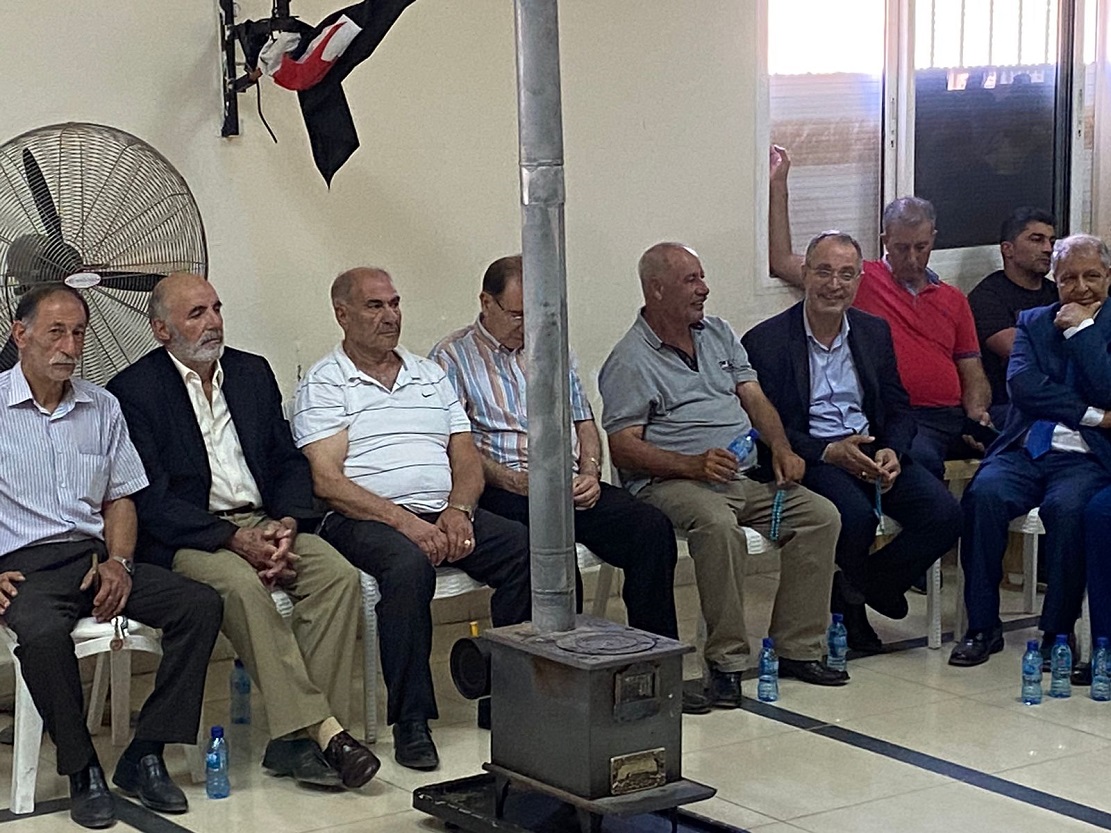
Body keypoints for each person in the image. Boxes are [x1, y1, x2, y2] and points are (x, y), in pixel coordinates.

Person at [107, 273, 380, 791]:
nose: (213, 322)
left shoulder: (251, 372)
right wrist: (232, 540)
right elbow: (151, 499)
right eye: (196, 314)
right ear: (161, 330)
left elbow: (286, 461)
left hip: (264, 521)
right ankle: (326, 735)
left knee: (338, 577)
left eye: (216, 308)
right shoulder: (134, 391)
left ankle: (295, 742)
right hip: (191, 537)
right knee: (240, 587)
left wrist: (288, 523)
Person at [428, 255, 706, 711]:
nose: (526, 326)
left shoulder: (550, 346)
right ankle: (537, 697)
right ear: (486, 303)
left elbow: (584, 422)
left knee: (650, 531)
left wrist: (590, 472)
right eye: (517, 315)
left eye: (534, 314)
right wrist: (515, 481)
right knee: (551, 561)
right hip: (502, 486)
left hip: (566, 482)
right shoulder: (450, 357)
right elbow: (460, 447)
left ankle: (651, 676)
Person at [0, 284, 222, 829]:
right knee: (43, 635)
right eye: (56, 332)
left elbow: (121, 497)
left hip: (95, 560)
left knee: (200, 605)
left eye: (78, 333)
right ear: (20, 333)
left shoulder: (102, 406)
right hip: (25, 566)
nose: (70, 346)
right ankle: (83, 771)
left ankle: (145, 752)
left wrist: (120, 563)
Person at [293, 267, 532, 767]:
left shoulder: (430, 374)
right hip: (362, 518)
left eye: (395, 303)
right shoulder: (326, 381)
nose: (391, 316)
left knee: (528, 553)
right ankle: (412, 721)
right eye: (375, 306)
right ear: (342, 314)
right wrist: (407, 524)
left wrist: (459, 510)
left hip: (442, 510)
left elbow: (465, 457)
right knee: (407, 568)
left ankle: (510, 697)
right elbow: (328, 482)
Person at [599, 242, 845, 707]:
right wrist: (691, 464)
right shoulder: (630, 359)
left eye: (702, 277)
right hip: (672, 485)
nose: (704, 289)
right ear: (656, 289)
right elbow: (623, 446)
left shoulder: (718, 334)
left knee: (821, 516)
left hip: (742, 477)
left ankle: (798, 648)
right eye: (691, 280)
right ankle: (727, 662)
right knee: (717, 527)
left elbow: (753, 397)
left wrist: (783, 448)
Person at [743, 232, 962, 652]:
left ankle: (866, 585)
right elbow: (768, 427)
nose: (834, 284)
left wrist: (892, 449)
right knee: (854, 517)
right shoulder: (766, 341)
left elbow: (898, 406)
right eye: (824, 272)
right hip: (815, 455)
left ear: (859, 281)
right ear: (805, 274)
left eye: (846, 275)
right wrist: (828, 451)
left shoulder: (873, 331)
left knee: (945, 514)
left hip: (872, 449)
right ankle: (852, 619)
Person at [769, 145, 993, 479]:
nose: (913, 258)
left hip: (953, 417)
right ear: (886, 241)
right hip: (905, 417)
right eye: (902, 248)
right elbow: (782, 260)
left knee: (1005, 452)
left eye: (921, 247)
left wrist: (977, 412)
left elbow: (971, 369)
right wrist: (778, 184)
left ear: (933, 239)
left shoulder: (953, 298)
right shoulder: (858, 278)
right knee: (921, 461)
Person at [952, 234, 1111, 667]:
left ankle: (1056, 632)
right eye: (1069, 278)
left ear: (1108, 276)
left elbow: (1108, 386)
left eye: (1092, 276)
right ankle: (982, 627)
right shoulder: (1034, 321)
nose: (1081, 288)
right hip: (1025, 449)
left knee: (1067, 509)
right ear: (1055, 280)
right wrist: (1094, 414)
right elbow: (1023, 387)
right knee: (983, 495)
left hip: (1084, 458)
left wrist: (1081, 331)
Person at [968, 208, 1059, 427]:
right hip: (1010, 405)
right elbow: (1019, 350)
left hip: (1059, 393)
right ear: (1008, 249)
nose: (1048, 249)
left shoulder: (1058, 292)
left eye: (1051, 241)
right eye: (1036, 240)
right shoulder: (988, 296)